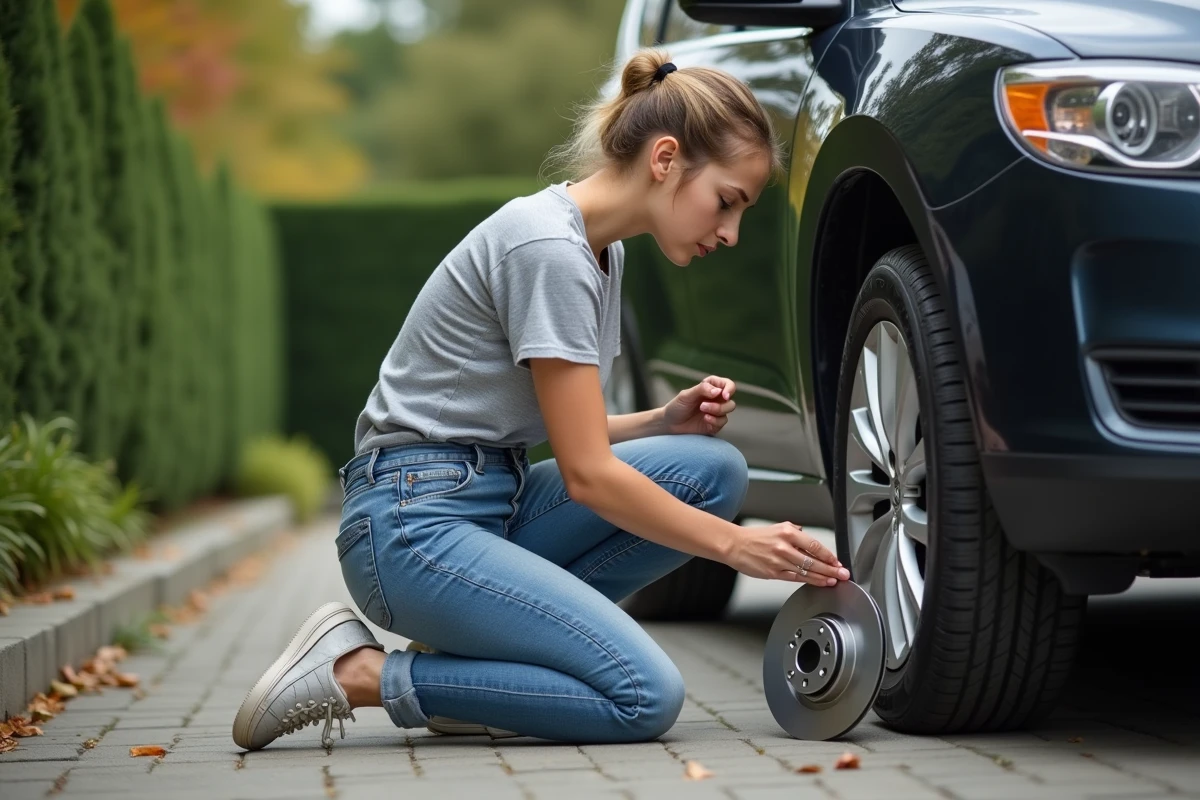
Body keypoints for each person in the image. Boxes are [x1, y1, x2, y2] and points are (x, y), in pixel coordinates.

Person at [231, 48, 850, 752]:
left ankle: (480, 665)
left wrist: (658, 421)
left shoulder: (600, 251)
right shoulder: (548, 250)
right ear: (666, 159)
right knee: (644, 696)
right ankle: (361, 673)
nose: (731, 233)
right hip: (409, 527)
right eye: (727, 202)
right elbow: (587, 473)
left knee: (713, 471)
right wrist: (737, 547)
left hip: (488, 495)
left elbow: (564, 433)